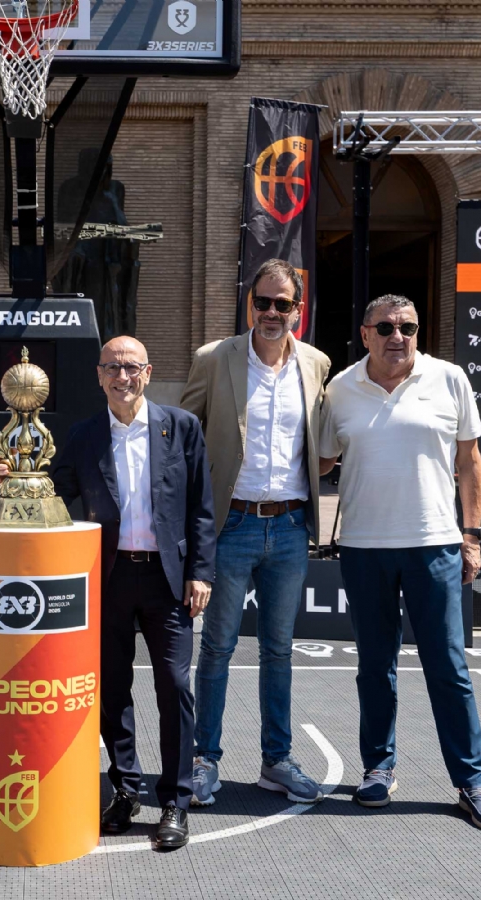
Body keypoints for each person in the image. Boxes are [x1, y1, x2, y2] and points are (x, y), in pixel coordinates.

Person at [0, 335, 215, 849]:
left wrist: (200, 571)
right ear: (98, 375)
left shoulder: (182, 428)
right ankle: (126, 789)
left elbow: (202, 504)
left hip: (168, 579)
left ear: (148, 372)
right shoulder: (84, 434)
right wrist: (8, 482)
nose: (122, 376)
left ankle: (175, 802)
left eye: (132, 367)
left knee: (174, 687)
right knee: (112, 690)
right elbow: (54, 491)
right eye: (112, 367)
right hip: (107, 578)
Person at [318, 294, 481, 826]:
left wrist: (473, 535)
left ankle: (471, 778)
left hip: (433, 542)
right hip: (364, 546)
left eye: (408, 327)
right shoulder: (340, 388)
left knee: (449, 667)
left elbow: (469, 460)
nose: (398, 336)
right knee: (375, 668)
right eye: (385, 327)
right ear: (364, 333)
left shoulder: (450, 378)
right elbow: (317, 461)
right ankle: (378, 769)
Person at [179, 258, 329, 807]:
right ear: (250, 304)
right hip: (232, 523)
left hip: (290, 526)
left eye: (281, 304)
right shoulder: (215, 358)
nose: (270, 312)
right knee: (216, 647)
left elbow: (324, 442)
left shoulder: (316, 364)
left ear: (297, 310)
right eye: (261, 302)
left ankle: (276, 761)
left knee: (279, 650)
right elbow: (185, 438)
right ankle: (204, 760)